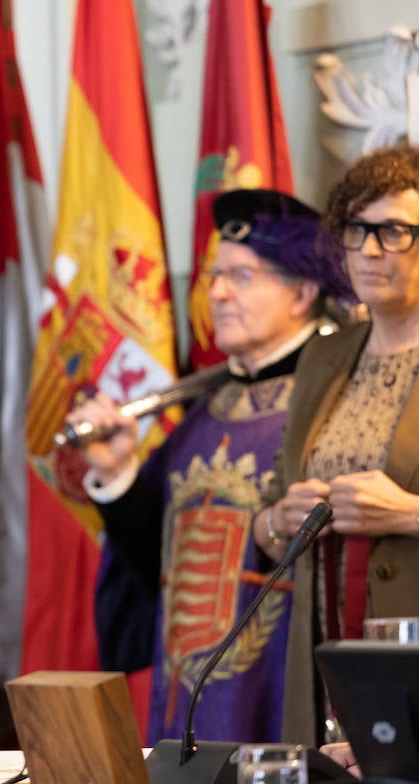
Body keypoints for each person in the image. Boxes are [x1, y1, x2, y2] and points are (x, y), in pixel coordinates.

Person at [67, 189, 357, 744]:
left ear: (302, 291)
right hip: (186, 705)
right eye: (214, 275)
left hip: (290, 702)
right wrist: (119, 474)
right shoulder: (203, 414)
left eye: (241, 276)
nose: (217, 293)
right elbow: (157, 565)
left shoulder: (334, 404)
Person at [254, 145, 419, 746]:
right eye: (357, 230)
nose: (371, 251)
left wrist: (407, 514)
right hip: (321, 667)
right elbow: (267, 519)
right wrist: (280, 519)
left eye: (395, 231)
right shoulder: (324, 356)